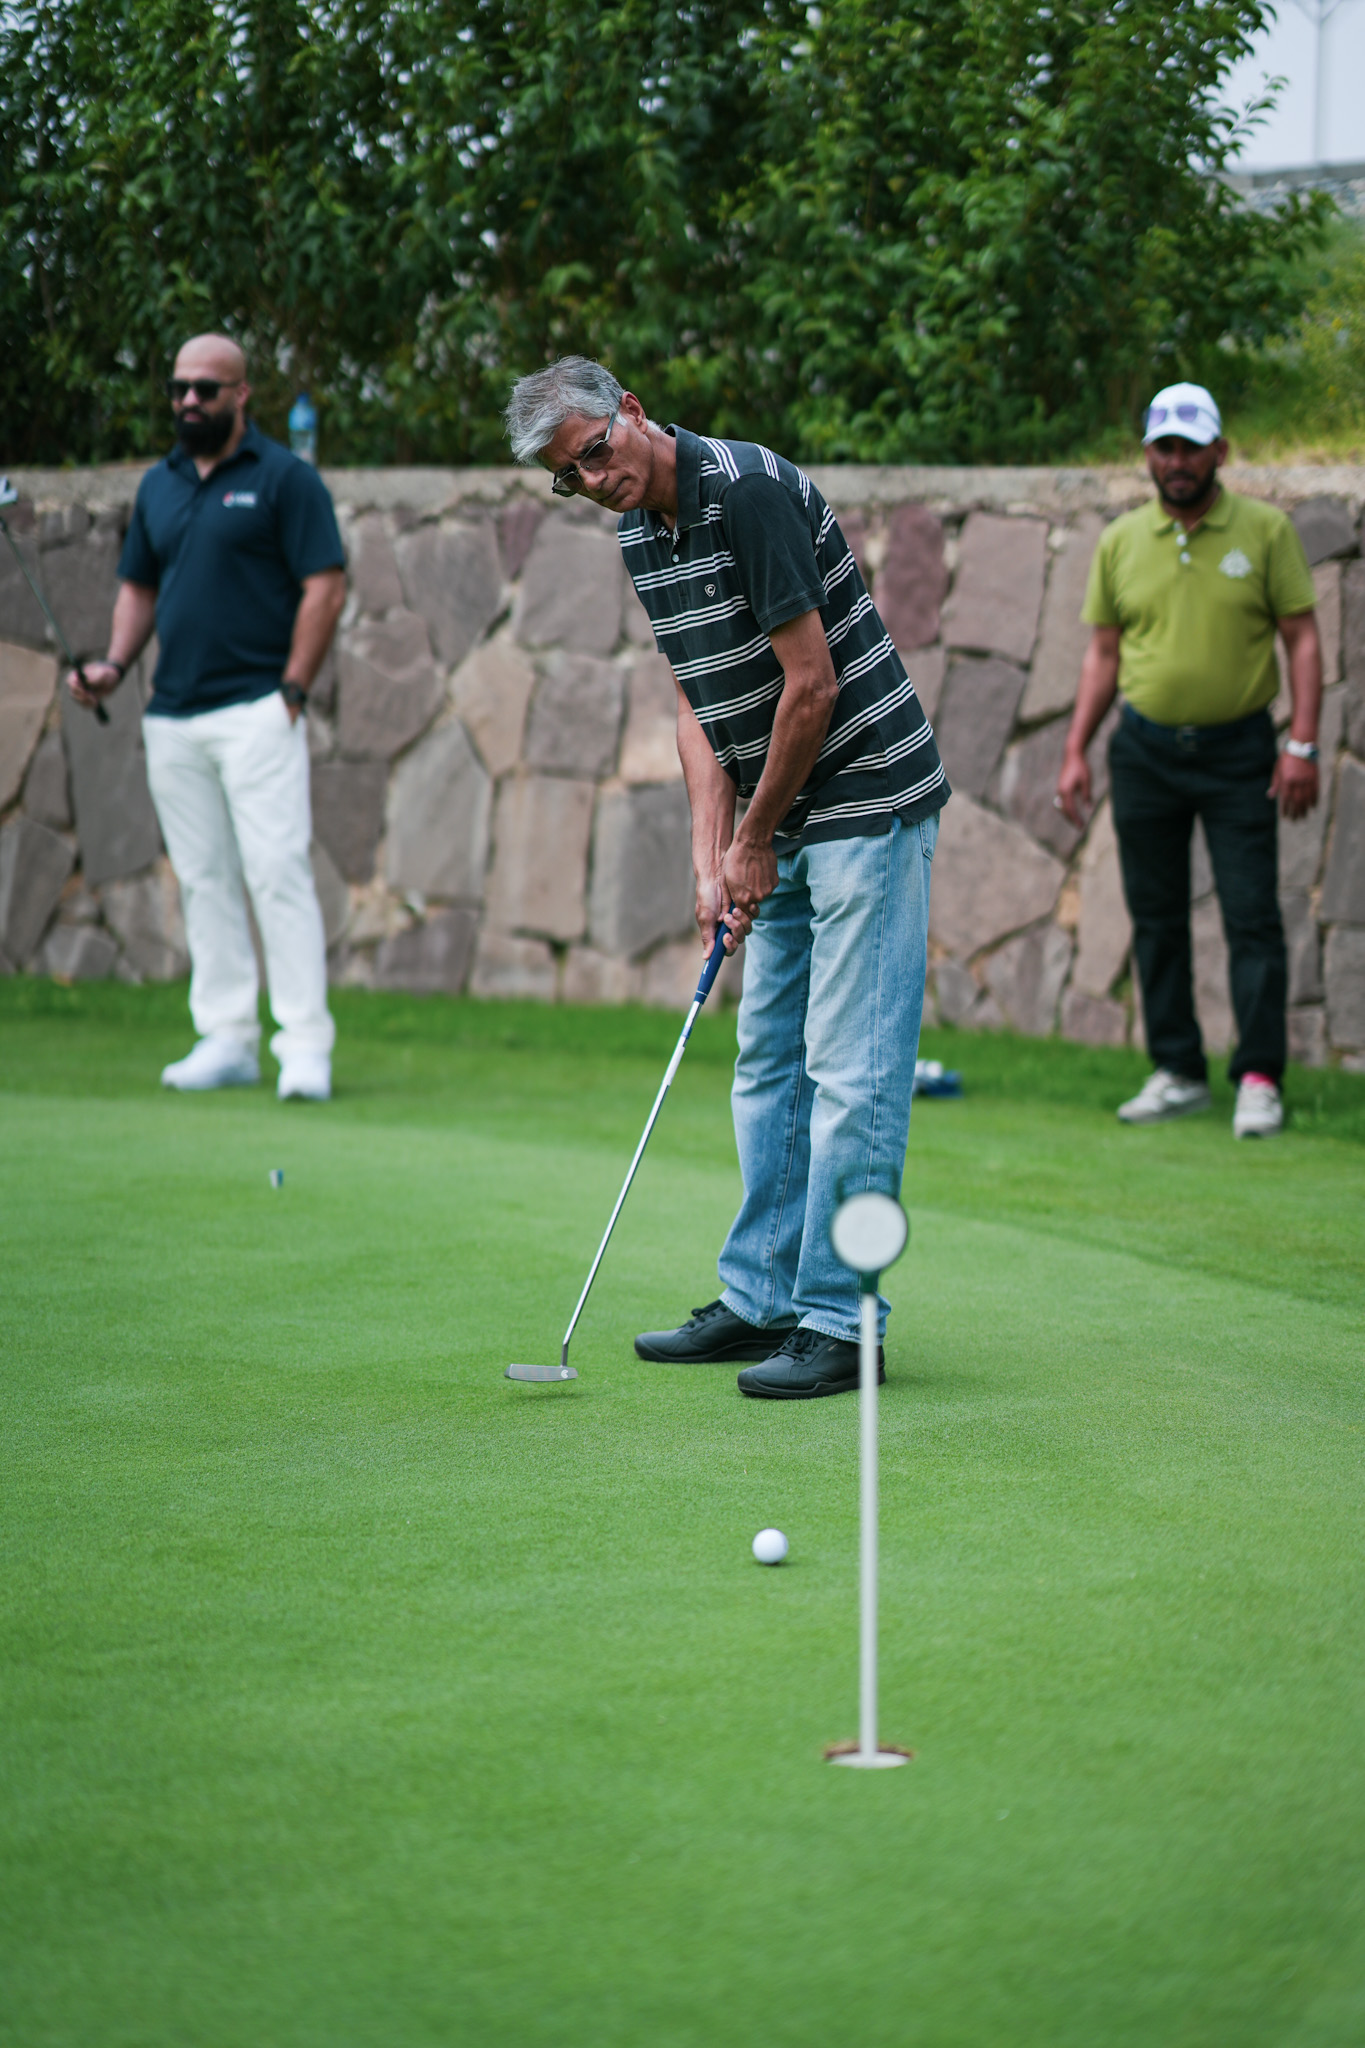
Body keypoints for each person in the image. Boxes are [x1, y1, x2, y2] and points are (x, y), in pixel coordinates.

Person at [505, 357, 949, 1399]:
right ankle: (762, 1298)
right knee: (767, 1064)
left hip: (866, 794)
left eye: (596, 453)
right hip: (777, 816)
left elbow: (812, 686)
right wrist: (713, 856)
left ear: (631, 410)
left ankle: (841, 1321)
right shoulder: (638, 531)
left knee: (850, 1071)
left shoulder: (745, 495)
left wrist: (751, 842)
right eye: (571, 477)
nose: (595, 481)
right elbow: (697, 699)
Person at [69, 334, 347, 1100]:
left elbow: (324, 586)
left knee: (277, 871)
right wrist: (114, 666)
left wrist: (293, 689)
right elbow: (139, 588)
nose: (189, 401)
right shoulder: (158, 485)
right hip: (173, 714)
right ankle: (226, 1039)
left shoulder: (285, 479)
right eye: (179, 389)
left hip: (259, 708)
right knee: (202, 879)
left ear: (241, 394)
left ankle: (304, 1046)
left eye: (206, 389)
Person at [1056, 384, 1322, 1141]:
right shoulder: (1121, 541)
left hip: (1240, 752)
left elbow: (1302, 637)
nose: (1177, 461)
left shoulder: (1265, 531)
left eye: (1190, 448)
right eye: (1164, 447)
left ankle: (1259, 1078)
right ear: (1147, 455)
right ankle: (1177, 1070)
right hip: (1144, 753)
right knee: (1155, 917)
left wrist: (1302, 743)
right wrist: (1075, 749)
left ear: (1219, 452)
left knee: (1251, 916)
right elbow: (1103, 654)